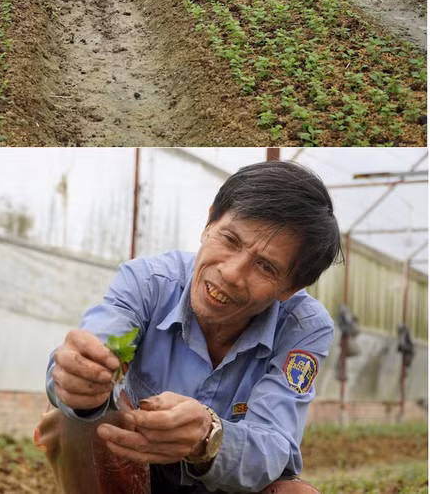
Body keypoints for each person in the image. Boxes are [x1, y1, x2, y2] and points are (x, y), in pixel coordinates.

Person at [40, 160, 342, 494]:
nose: (231, 273)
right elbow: (97, 343)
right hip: (135, 463)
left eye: (265, 267)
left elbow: (273, 447)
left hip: (223, 482)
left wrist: (208, 437)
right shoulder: (148, 282)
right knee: (69, 419)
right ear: (209, 221)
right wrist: (80, 380)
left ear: (290, 289)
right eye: (229, 239)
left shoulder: (304, 327)